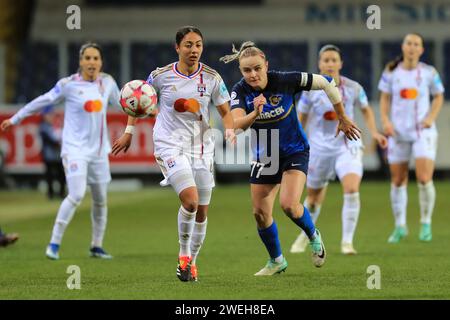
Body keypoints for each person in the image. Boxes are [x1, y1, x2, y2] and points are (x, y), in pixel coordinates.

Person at [220, 41, 361, 276]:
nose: (253, 75)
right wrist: (255, 112)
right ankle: (276, 261)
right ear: (241, 72)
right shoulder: (239, 90)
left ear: (266, 65)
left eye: (257, 68)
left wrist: (342, 117)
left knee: (289, 205)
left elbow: (328, 83)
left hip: (295, 149)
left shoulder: (286, 80)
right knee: (260, 213)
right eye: (247, 70)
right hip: (265, 155)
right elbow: (236, 124)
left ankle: (313, 236)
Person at [112, 26, 236, 282]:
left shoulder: (212, 77)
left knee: (201, 212)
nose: (194, 50)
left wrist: (231, 130)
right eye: (188, 45)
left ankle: (191, 263)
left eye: (198, 45)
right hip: (169, 144)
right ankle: (183, 255)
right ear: (177, 47)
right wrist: (129, 131)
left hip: (201, 147)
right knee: (190, 201)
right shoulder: (161, 76)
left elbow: (226, 113)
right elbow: (138, 98)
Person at [1, 42, 120, 260]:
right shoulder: (68, 85)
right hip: (75, 150)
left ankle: (96, 246)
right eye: (88, 58)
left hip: (98, 152)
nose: (92, 62)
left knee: (100, 199)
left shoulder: (108, 82)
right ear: (80, 61)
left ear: (101, 62)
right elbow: (42, 101)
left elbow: (123, 104)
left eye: (96, 58)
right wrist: (16, 118)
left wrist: (146, 109)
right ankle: (54, 244)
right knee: (75, 194)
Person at [289, 44, 388, 255]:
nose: (330, 64)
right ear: (319, 64)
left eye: (334, 60)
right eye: (326, 60)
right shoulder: (310, 92)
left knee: (351, 190)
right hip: (319, 148)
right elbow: (301, 118)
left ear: (341, 63)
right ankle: (305, 236)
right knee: (314, 199)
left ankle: (347, 242)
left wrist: (374, 132)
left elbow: (366, 110)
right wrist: (296, 142)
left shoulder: (354, 88)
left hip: (347, 145)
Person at [378, 33, 444, 243]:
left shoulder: (428, 72)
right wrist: (386, 122)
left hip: (422, 132)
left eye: (417, 44)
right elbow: (384, 98)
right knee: (398, 180)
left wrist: (431, 118)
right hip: (398, 132)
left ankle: (426, 223)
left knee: (424, 179)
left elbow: (439, 96)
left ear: (422, 50)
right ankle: (400, 226)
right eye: (409, 43)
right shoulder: (391, 72)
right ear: (403, 46)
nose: (412, 47)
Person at [39, 105, 66, 199]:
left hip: (57, 155)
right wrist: (59, 142)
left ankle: (61, 192)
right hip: (49, 155)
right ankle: (51, 194)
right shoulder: (43, 127)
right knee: (50, 175)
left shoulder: (55, 125)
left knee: (61, 174)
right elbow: (51, 140)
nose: (50, 116)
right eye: (48, 114)